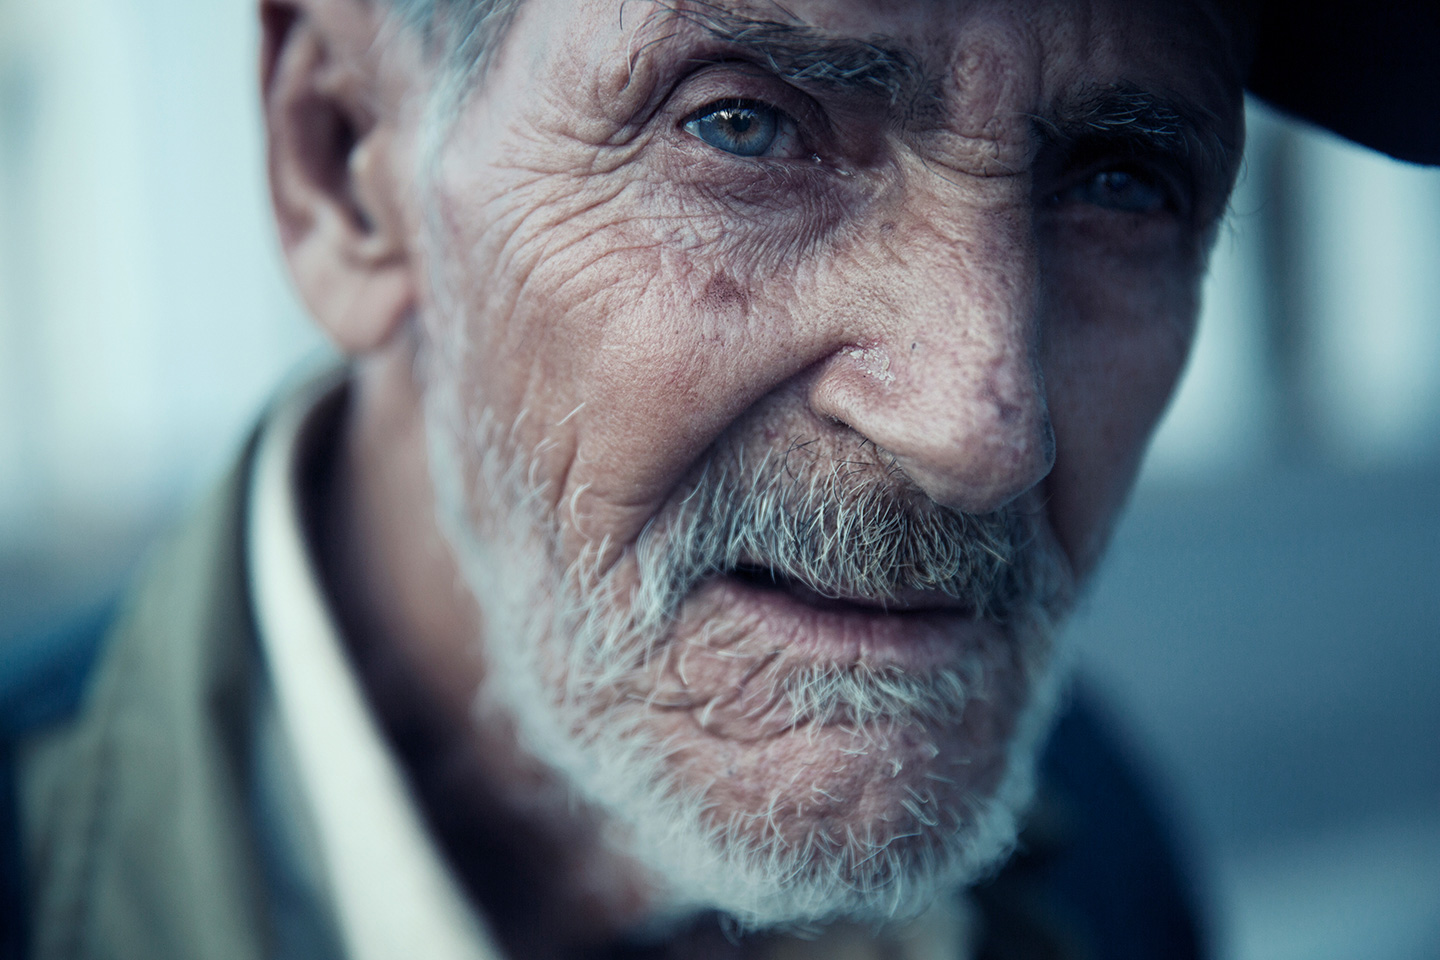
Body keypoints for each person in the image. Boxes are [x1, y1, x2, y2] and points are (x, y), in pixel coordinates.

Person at [1, 2, 1434, 959]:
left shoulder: (1093, 843)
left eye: (1121, 178)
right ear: (348, 165)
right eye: (743, 125)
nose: (981, 423)